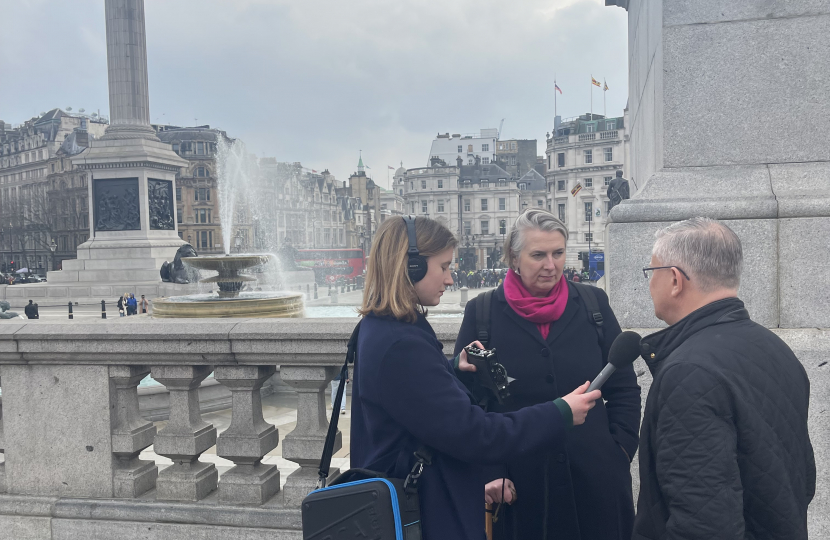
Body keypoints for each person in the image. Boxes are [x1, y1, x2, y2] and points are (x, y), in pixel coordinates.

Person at [350, 216, 602, 540]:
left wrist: (450, 369)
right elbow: (476, 434)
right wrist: (560, 412)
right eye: (443, 267)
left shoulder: (380, 327)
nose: (451, 278)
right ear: (411, 266)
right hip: (421, 514)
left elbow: (412, 399)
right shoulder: (401, 344)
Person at [455, 209, 641, 540]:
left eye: (558, 253)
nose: (551, 265)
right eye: (538, 255)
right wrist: (489, 472)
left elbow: (624, 387)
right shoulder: (482, 313)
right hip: (517, 487)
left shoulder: (593, 304)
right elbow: (468, 404)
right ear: (514, 257)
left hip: (596, 484)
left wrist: (619, 453)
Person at [635, 217, 815, 540]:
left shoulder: (688, 373)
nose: (649, 284)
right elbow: (803, 480)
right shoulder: (776, 348)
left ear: (675, 280)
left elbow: (703, 527)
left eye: (651, 272)